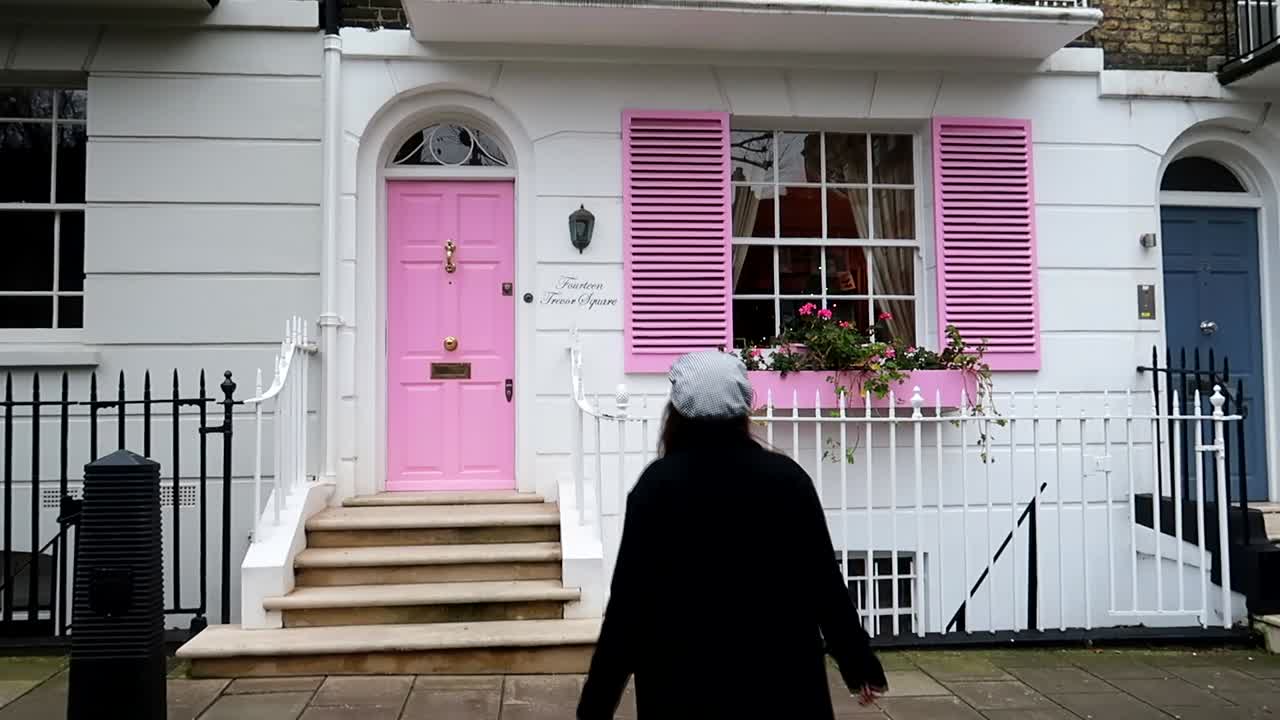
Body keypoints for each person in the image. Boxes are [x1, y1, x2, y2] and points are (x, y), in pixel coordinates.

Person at [577, 350, 888, 720]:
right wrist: (859, 664)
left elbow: (629, 605)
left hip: (681, 684)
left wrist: (596, 703)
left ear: (676, 411)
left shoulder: (656, 487)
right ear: (743, 408)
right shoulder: (787, 480)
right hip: (781, 682)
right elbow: (824, 584)